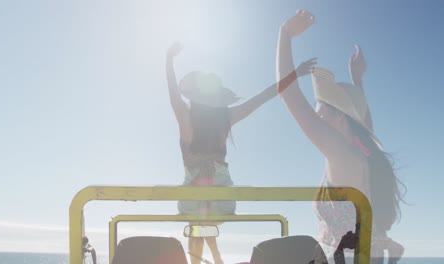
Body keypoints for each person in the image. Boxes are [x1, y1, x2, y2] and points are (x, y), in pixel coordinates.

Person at [275, 10, 405, 263]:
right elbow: (364, 123)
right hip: (366, 257)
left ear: (338, 117)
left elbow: (288, 94)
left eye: (319, 109)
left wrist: (285, 34)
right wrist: (357, 79)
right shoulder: (363, 150)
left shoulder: (339, 152)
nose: (315, 116)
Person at [166, 42, 314, 264]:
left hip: (191, 202)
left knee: (196, 215)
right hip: (224, 201)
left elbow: (173, 94)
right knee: (203, 215)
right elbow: (264, 96)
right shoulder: (225, 120)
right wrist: (295, 74)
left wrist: (168, 59)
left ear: (195, 99)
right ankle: (217, 258)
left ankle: (205, 259)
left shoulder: (185, 119)